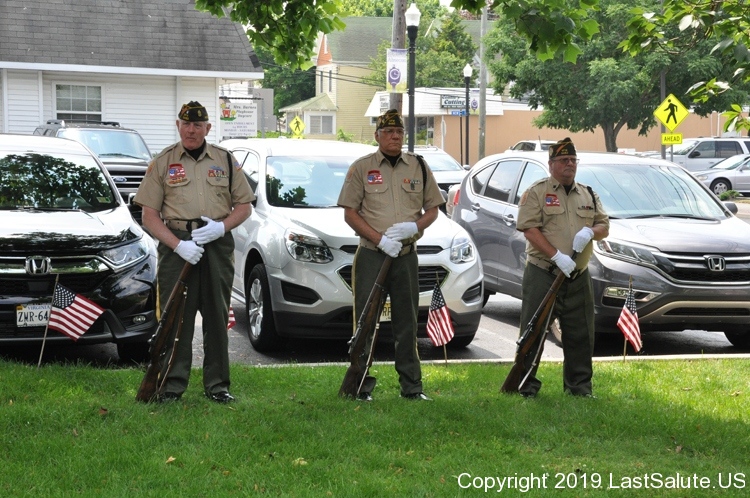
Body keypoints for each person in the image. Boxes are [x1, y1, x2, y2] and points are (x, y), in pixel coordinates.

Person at [134, 101, 254, 403]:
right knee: (176, 317)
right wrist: (178, 245)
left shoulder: (225, 160)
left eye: (197, 125)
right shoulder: (163, 162)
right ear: (178, 126)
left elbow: (244, 206)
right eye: (186, 124)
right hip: (177, 243)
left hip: (216, 243)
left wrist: (221, 228)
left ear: (207, 128)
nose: (191, 130)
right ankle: (171, 386)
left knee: (217, 315)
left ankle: (218, 385)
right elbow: (149, 216)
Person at [338, 109, 445, 402]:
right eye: (388, 132)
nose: (395, 137)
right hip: (372, 255)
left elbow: (433, 209)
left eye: (399, 132)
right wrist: (380, 240)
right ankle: (360, 386)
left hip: (406, 256)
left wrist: (415, 227)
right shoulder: (362, 167)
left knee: (407, 322)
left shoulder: (418, 166)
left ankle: (412, 387)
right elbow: (350, 213)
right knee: (366, 321)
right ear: (377, 136)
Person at [514, 137, 609, 398]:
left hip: (578, 276)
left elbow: (604, 225)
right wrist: (556, 256)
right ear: (551, 164)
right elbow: (528, 229)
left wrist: (590, 231)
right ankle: (525, 385)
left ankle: (579, 388)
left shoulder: (588, 194)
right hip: (544, 273)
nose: (570, 164)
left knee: (581, 333)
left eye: (573, 160)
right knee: (533, 331)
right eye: (564, 160)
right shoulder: (537, 192)